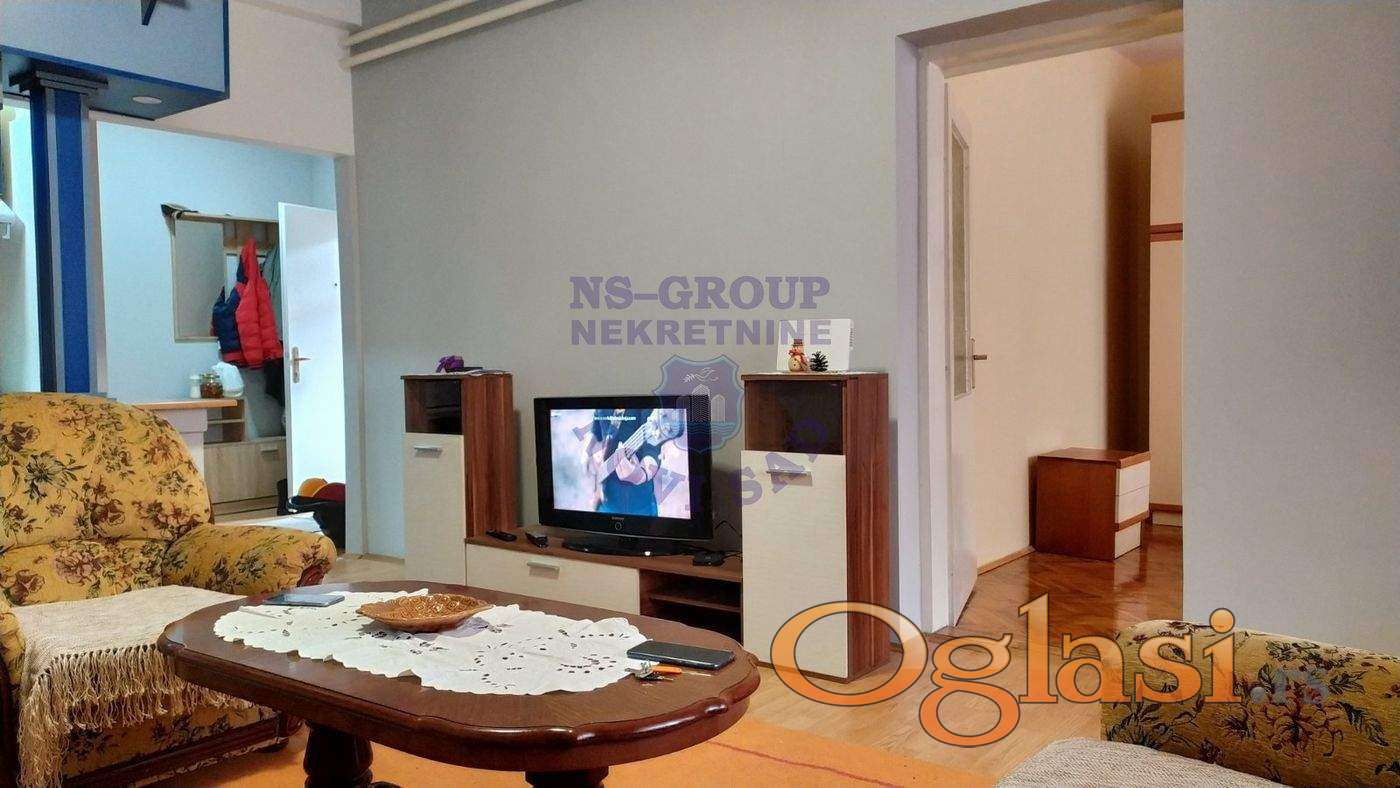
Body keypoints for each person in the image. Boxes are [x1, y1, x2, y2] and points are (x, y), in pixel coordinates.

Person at [582, 408, 660, 516]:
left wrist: (640, 474)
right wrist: (586, 452)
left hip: (639, 503)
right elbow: (596, 429)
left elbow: (652, 451)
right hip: (605, 497)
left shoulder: (646, 408)